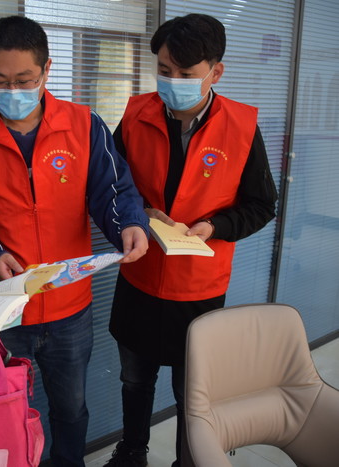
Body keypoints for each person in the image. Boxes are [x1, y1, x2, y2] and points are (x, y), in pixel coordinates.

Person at [0, 15, 150, 467]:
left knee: (71, 409)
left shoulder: (83, 125)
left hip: (70, 306)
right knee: (1, 408)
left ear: (46, 71)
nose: (12, 90)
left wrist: (128, 225)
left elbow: (112, 191)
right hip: (2, 306)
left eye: (24, 79)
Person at [106, 14, 278, 467]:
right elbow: (112, 188)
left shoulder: (240, 127)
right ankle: (132, 451)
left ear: (215, 72)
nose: (172, 81)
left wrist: (213, 227)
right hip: (140, 277)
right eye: (164, 71)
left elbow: (262, 205)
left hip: (199, 287)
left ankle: (188, 459)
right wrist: (138, 212)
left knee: (192, 391)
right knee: (134, 380)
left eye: (185, 74)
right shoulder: (135, 114)